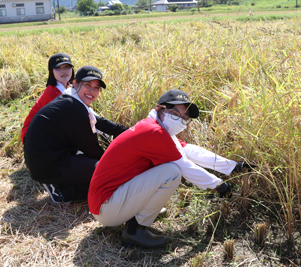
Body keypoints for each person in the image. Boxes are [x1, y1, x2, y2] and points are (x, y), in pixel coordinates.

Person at [88, 89, 255, 248]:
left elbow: (190, 151)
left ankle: (138, 213)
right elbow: (185, 166)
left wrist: (232, 166)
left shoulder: (157, 129)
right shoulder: (153, 132)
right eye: (175, 113)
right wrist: (218, 185)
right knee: (171, 172)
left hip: (109, 201)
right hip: (106, 207)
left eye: (184, 117)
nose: (180, 119)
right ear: (159, 109)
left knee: (169, 169)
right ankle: (134, 231)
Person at [24, 66, 128, 204]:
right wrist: (114, 165)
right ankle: (60, 190)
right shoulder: (73, 107)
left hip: (47, 158)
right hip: (46, 164)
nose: (92, 91)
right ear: (75, 83)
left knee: (103, 172)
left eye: (96, 88)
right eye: (87, 85)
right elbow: (92, 149)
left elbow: (101, 123)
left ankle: (61, 182)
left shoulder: (71, 99)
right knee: (103, 173)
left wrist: (133, 132)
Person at [21, 53, 74, 143]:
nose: (64, 71)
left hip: (49, 130)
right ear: (51, 72)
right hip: (33, 135)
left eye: (67, 67)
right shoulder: (52, 93)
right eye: (58, 68)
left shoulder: (70, 88)